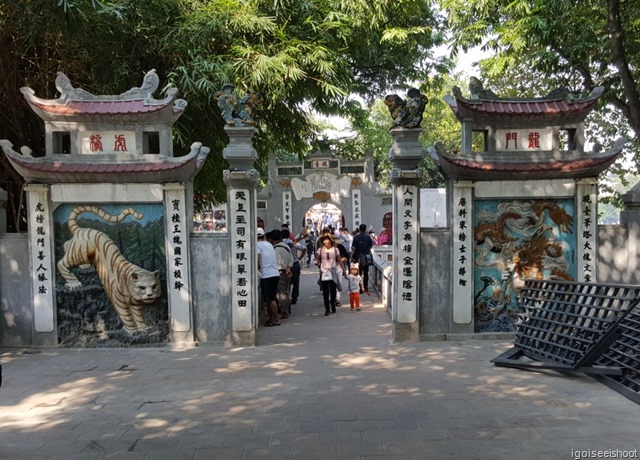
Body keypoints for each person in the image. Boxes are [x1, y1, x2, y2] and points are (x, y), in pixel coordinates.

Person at [257, 228, 281, 326]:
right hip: (275, 274)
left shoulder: (257, 245)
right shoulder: (269, 245)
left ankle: (277, 319)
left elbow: (257, 259)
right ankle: (271, 319)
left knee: (270, 299)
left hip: (267, 275)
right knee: (270, 298)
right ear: (264, 236)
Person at [268, 230, 293, 317]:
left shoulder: (276, 249)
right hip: (288, 272)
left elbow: (279, 262)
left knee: (281, 293)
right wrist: (289, 268)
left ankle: (284, 311)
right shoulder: (286, 246)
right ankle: (287, 308)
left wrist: (285, 269)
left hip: (281, 272)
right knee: (286, 291)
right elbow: (291, 259)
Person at [316, 235, 340, 316]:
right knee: (325, 292)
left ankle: (332, 303)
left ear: (330, 240)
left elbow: (339, 260)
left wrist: (342, 270)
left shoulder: (335, 249)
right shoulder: (320, 249)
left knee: (333, 292)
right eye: (324, 240)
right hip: (324, 272)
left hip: (332, 271)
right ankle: (327, 308)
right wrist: (320, 265)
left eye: (326, 240)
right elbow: (317, 259)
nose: (325, 242)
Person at [286, 229, 307, 305]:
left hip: (286, 266)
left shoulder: (282, 244)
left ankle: (286, 297)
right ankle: (294, 298)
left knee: (286, 283)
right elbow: (304, 249)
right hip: (295, 264)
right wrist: (299, 258)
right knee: (295, 282)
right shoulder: (294, 244)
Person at [352, 223, 374, 292]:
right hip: (366, 257)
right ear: (365, 229)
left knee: (359, 273)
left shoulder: (356, 237)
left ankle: (360, 287)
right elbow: (371, 246)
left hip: (358, 256)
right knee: (366, 272)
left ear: (359, 229)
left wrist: (351, 256)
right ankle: (366, 287)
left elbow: (353, 248)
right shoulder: (368, 237)